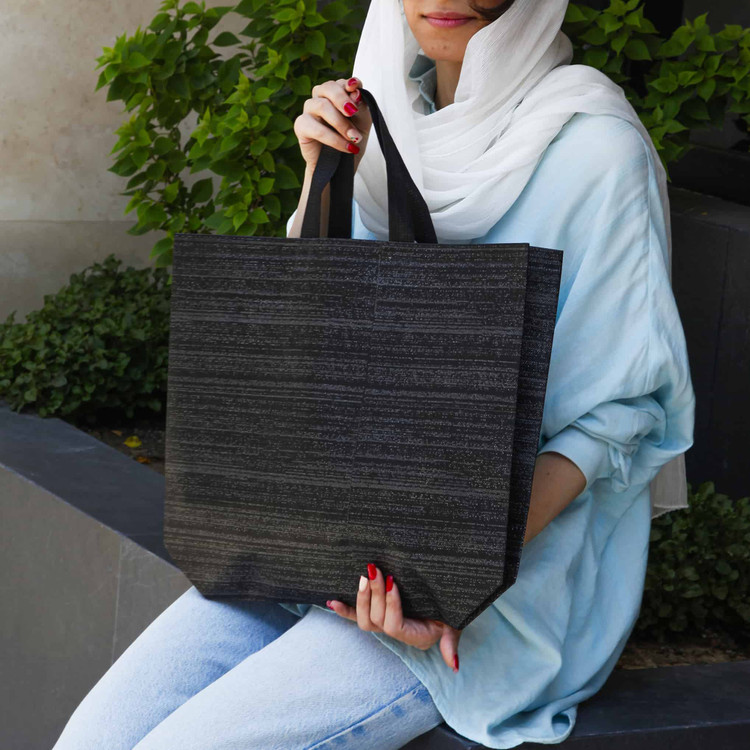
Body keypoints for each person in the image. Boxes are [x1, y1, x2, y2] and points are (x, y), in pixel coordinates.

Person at [52, 0, 696, 748]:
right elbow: (321, 347)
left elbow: (619, 414)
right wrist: (322, 178)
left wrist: (441, 574)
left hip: (496, 595)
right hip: (315, 542)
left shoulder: (596, 149)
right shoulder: (385, 120)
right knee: (91, 738)